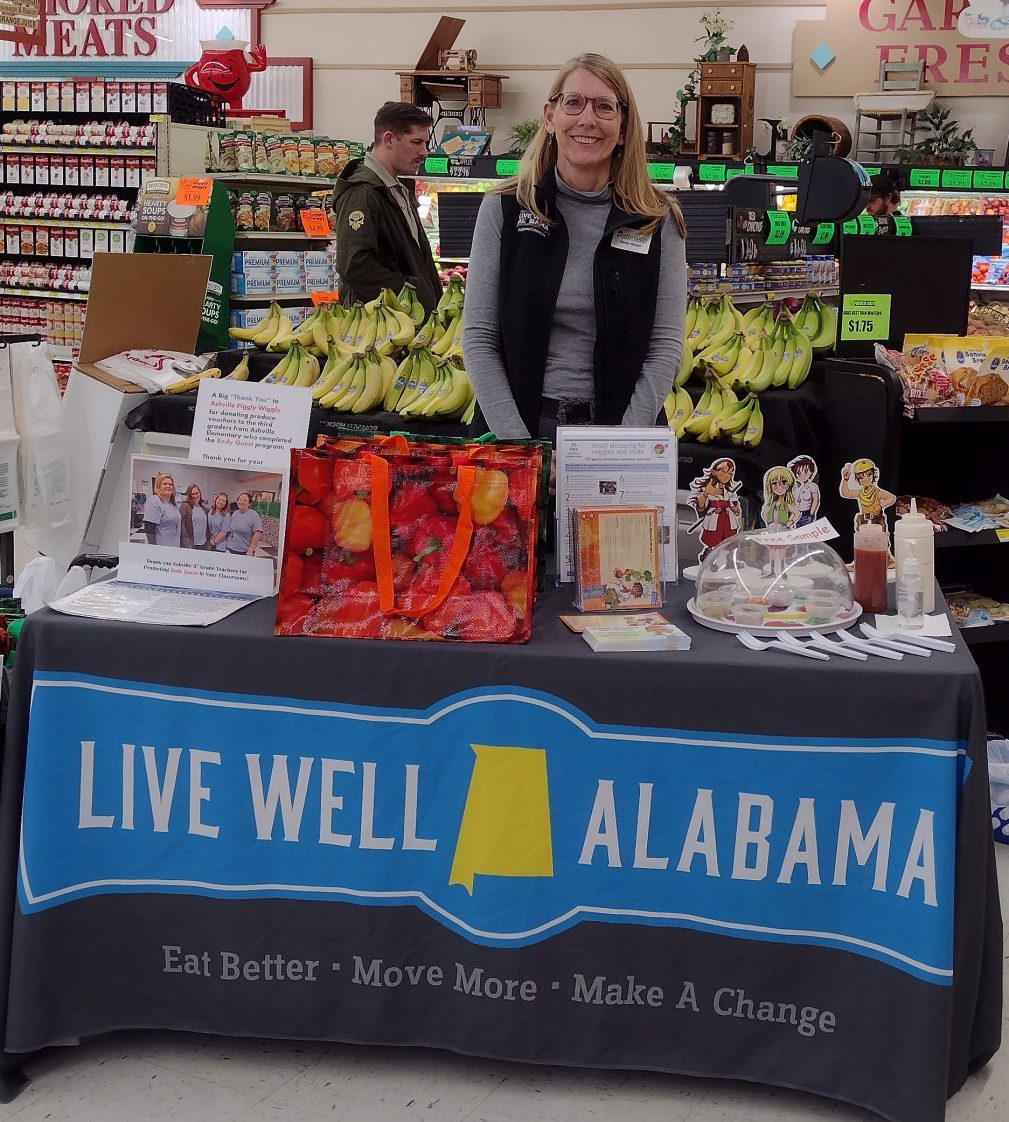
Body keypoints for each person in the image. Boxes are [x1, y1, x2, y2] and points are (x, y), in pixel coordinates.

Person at [462, 52, 687, 442]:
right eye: (573, 103)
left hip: (620, 430)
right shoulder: (504, 210)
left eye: (605, 107)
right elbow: (479, 339)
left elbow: (665, 345)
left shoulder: (656, 218)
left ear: (623, 125)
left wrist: (622, 445)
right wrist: (522, 448)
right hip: (517, 431)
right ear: (550, 117)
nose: (588, 120)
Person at [331, 102, 443, 317]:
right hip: (379, 327)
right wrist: (410, 291)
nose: (424, 152)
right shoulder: (362, 193)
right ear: (389, 139)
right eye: (416, 142)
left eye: (426, 143)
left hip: (404, 320)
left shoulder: (395, 190)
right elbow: (355, 266)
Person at [688, 458, 741, 562]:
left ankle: (730, 561)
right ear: (714, 472)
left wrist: (736, 509)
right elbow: (700, 506)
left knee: (730, 541)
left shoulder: (729, 491)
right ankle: (708, 560)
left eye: (730, 473)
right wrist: (706, 493)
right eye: (723, 472)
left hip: (728, 519)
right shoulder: (708, 488)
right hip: (714, 518)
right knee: (713, 540)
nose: (726, 476)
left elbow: (735, 507)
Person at [142, 472, 181, 548]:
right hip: (161, 547)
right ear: (159, 486)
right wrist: (155, 549)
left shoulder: (173, 503)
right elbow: (149, 530)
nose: (168, 486)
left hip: (174, 546)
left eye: (170, 484)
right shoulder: (154, 501)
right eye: (165, 484)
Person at [226, 492, 263, 556]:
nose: (241, 502)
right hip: (231, 548)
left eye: (245, 500)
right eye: (240, 500)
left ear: (249, 503)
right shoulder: (235, 513)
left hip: (245, 551)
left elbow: (258, 533)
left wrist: (251, 550)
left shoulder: (254, 515)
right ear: (237, 501)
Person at [179, 484, 210, 550]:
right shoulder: (185, 506)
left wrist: (208, 544)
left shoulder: (203, 508)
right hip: (192, 545)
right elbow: (182, 526)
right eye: (192, 494)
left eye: (197, 493)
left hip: (203, 544)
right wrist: (188, 545)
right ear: (189, 495)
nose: (195, 496)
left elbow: (206, 527)